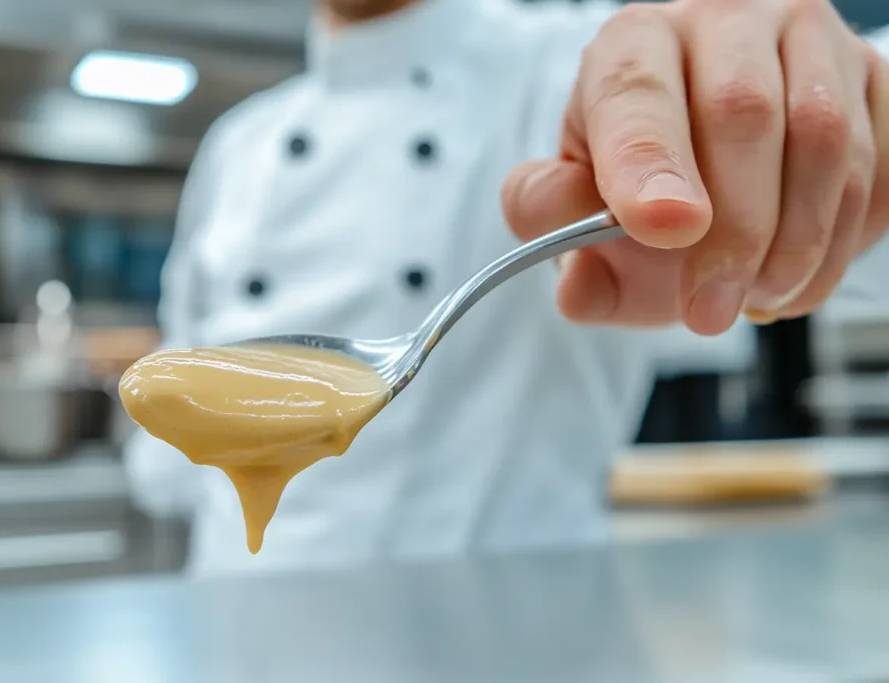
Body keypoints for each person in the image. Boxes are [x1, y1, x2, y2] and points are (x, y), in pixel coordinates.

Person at [124, 0, 889, 575]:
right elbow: (175, 427)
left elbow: (831, 196)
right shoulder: (239, 143)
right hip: (240, 639)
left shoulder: (570, 61)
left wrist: (826, 97)